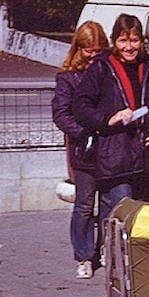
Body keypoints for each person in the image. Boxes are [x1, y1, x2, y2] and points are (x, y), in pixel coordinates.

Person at [73, 13, 149, 226]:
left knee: (127, 217)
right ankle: (112, 257)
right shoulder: (101, 68)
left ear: (141, 41)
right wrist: (108, 119)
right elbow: (80, 107)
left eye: (134, 40)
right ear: (114, 41)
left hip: (144, 159)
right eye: (123, 40)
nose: (129, 47)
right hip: (115, 157)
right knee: (125, 213)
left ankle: (118, 257)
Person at [51, 20, 109, 279]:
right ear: (78, 48)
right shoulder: (68, 78)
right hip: (85, 149)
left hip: (111, 148)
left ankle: (108, 250)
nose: (94, 56)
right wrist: (84, 133)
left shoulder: (110, 72)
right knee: (84, 206)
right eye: (89, 51)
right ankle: (84, 256)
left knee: (111, 204)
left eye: (99, 50)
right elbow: (61, 114)